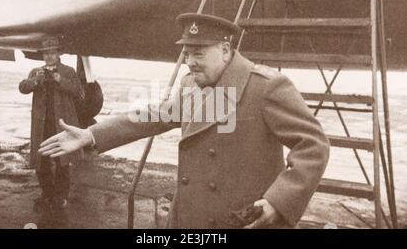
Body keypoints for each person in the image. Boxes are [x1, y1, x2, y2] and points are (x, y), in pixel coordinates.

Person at [38, 14, 330, 228]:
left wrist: (278, 202)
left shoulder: (266, 86)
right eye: (187, 53)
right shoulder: (191, 84)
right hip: (190, 220)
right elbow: (151, 116)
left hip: (242, 221)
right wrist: (91, 135)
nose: (190, 61)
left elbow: (313, 145)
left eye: (198, 53)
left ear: (226, 51)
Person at [19, 38, 84, 214]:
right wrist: (34, 81)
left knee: (62, 161)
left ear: (58, 54)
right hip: (42, 126)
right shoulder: (36, 71)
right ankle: (47, 193)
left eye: (52, 53)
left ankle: (60, 196)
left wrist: (60, 80)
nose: (48, 56)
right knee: (42, 161)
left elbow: (79, 92)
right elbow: (22, 88)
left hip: (61, 125)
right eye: (46, 53)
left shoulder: (68, 71)